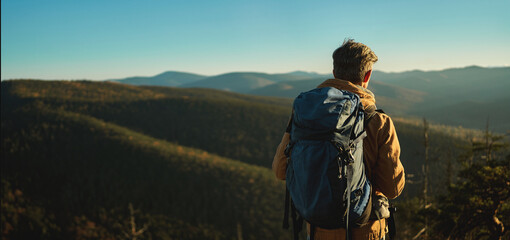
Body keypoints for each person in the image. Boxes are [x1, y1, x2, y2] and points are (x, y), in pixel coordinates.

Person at [272, 39, 405, 240]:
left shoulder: (306, 114)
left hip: (317, 230)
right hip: (363, 231)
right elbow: (392, 188)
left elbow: (280, 170)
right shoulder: (379, 121)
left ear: (334, 72)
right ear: (367, 75)